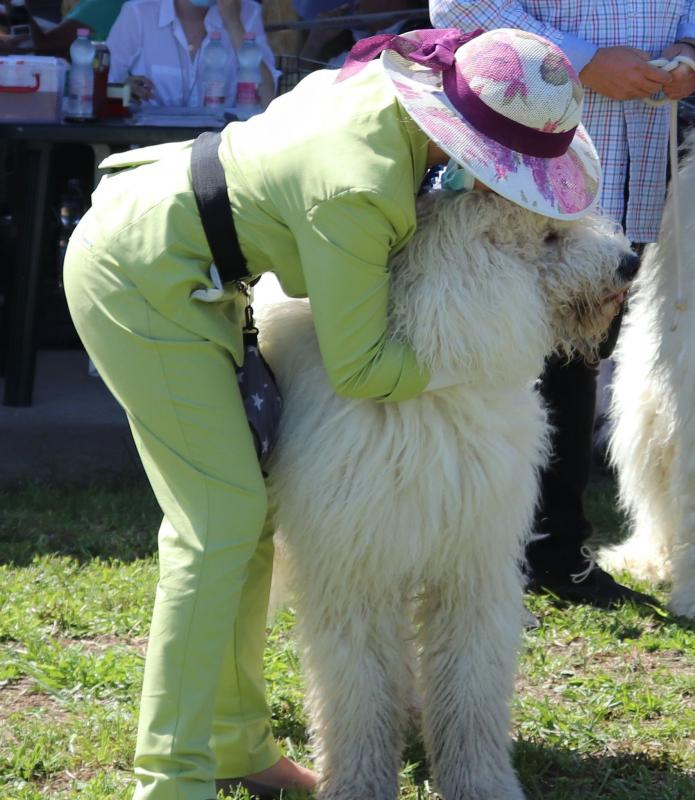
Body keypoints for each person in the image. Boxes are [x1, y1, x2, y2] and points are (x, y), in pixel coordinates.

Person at [63, 25, 604, 800]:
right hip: (138, 272)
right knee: (216, 525)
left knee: (245, 525)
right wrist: (481, 357)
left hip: (202, 266)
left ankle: (234, 743)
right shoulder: (358, 187)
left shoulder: (387, 104)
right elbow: (362, 368)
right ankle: (171, 777)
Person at [429, 0, 695, 608]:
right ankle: (492, 557)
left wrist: (688, 48)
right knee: (502, 365)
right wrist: (581, 61)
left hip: (635, 166)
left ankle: (551, 551)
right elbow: (458, 6)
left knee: (578, 362)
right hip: (529, 161)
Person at [106, 0, 277, 108]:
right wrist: (125, 88)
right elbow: (104, 86)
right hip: (152, 144)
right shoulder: (138, 12)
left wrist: (233, 23)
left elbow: (268, 100)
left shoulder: (248, 12)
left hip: (221, 146)